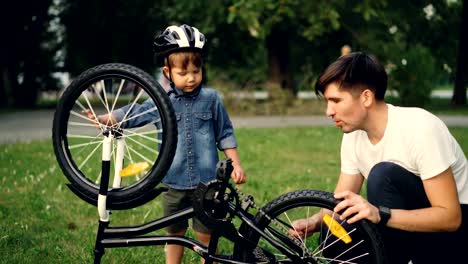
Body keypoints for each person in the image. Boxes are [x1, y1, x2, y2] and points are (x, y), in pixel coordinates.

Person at [85, 24, 247, 264]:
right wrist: (106, 119)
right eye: (183, 73)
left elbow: (225, 133)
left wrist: (235, 163)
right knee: (174, 233)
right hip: (173, 182)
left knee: (206, 234)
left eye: (196, 70)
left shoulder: (212, 99)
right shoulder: (162, 101)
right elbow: (134, 113)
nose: (191, 78)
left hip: (207, 181)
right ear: (168, 72)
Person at [291, 52, 467, 264]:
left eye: (336, 100)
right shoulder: (353, 135)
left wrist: (380, 214)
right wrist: (315, 222)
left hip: (455, 236)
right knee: (333, 239)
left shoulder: (420, 127)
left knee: (383, 175)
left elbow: (450, 218)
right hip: (404, 228)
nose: (329, 111)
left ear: (366, 97)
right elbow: (340, 201)